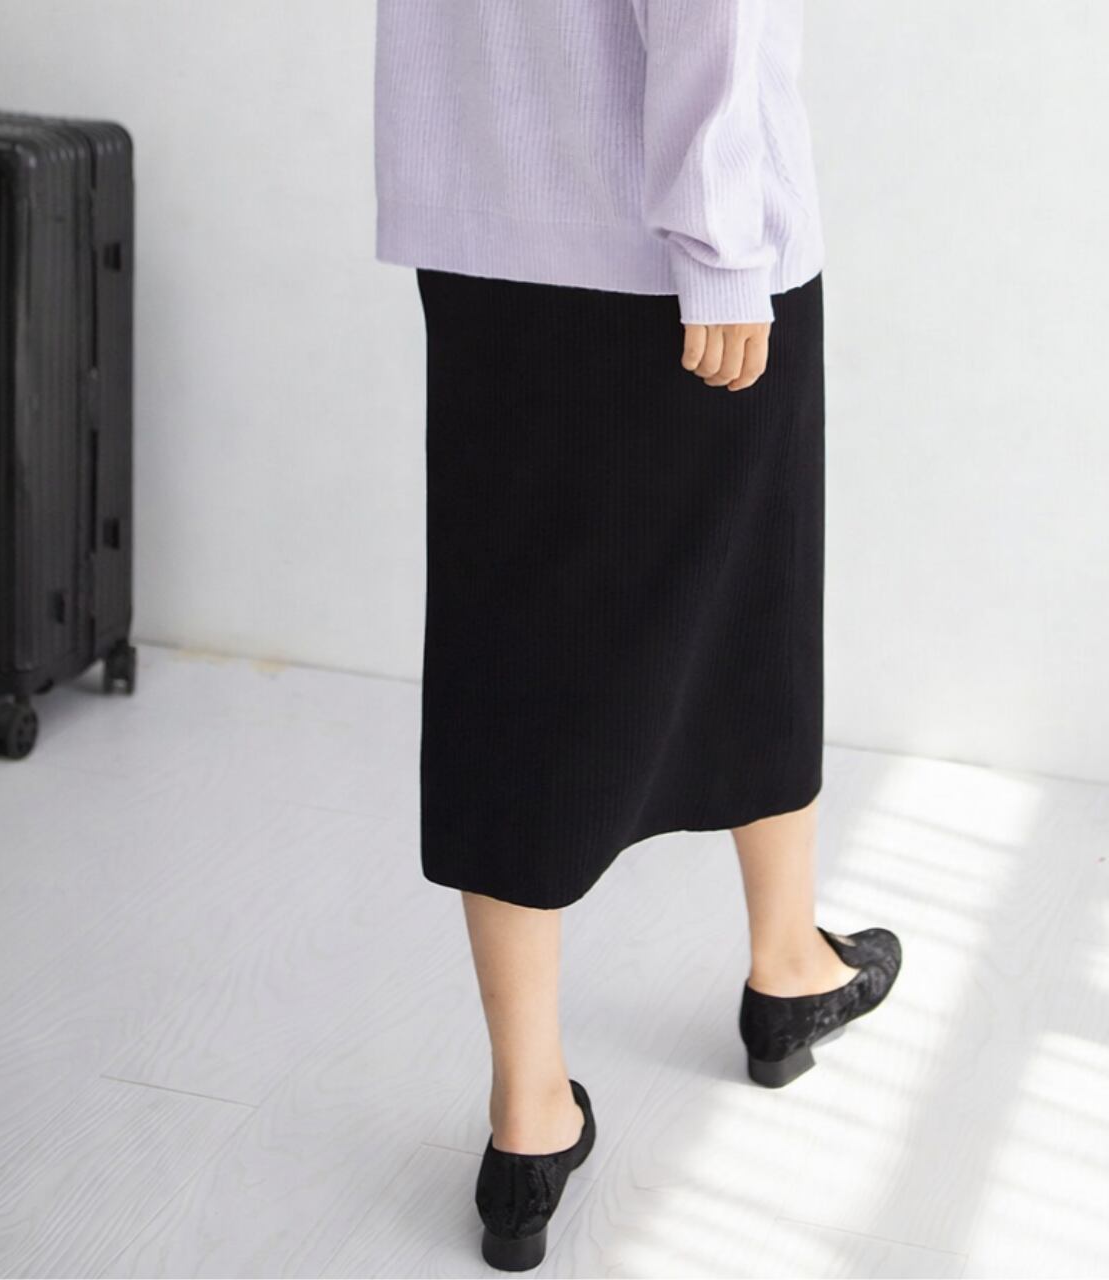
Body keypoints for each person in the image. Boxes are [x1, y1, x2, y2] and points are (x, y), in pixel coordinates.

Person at [373, 0, 901, 1269]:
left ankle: (527, 1119)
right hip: (667, 252)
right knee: (755, 591)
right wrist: (723, 248)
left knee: (508, 657)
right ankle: (784, 967)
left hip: (482, 214)